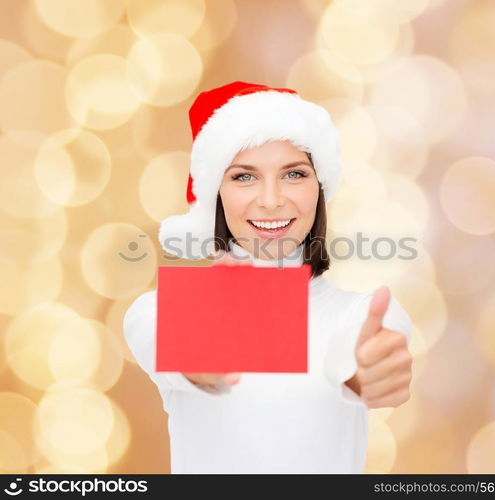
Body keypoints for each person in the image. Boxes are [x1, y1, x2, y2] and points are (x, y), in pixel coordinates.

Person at [123, 81, 413, 474]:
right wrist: (203, 354)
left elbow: (361, 359)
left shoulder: (364, 314)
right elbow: (169, 344)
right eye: (244, 177)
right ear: (216, 194)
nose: (272, 200)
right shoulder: (156, 311)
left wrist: (368, 373)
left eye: (294, 174)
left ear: (319, 188)